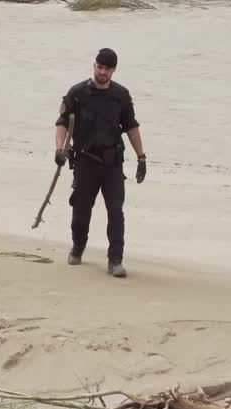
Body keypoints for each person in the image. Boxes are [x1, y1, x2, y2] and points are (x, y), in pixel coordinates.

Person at [55, 47, 146, 278]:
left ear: (113, 70)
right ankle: (78, 246)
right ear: (94, 65)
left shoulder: (121, 96)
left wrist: (141, 157)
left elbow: (131, 127)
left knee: (116, 211)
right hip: (85, 162)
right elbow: (62, 122)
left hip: (112, 163)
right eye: (99, 66)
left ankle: (115, 260)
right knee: (81, 211)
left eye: (107, 69)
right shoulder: (76, 93)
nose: (102, 72)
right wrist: (59, 149)